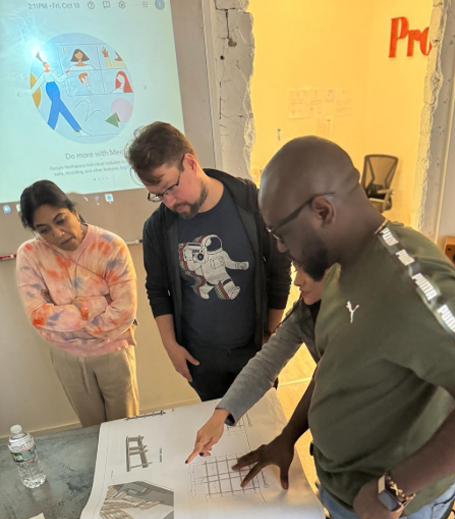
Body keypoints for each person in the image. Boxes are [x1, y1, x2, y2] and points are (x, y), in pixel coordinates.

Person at [234, 136, 455, 519]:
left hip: (394, 510)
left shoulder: (412, 283)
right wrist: (289, 437)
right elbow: (334, 369)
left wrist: (394, 490)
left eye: (280, 234)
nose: (282, 249)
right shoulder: (336, 266)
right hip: (342, 490)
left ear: (323, 211)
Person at [125, 122, 291, 401]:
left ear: (189, 163)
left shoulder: (253, 204)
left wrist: (271, 336)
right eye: (158, 195)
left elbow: (279, 270)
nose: (168, 201)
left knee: (261, 428)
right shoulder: (158, 227)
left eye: (170, 188)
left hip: (255, 350)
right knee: (218, 432)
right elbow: (157, 289)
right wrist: (170, 345)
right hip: (201, 357)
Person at [16, 180, 140, 427]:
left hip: (113, 351)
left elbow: (123, 312)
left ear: (73, 211)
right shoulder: (30, 254)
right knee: (91, 430)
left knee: (126, 428)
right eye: (44, 230)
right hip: (67, 358)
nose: (57, 234)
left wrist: (69, 324)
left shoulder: (110, 246)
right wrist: (97, 304)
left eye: (60, 220)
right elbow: (39, 315)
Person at [186, 262, 323, 463]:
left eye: (306, 269)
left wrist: (288, 436)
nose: (296, 280)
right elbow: (266, 363)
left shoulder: (362, 317)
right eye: (295, 267)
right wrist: (221, 415)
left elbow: (325, 380)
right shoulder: (305, 310)